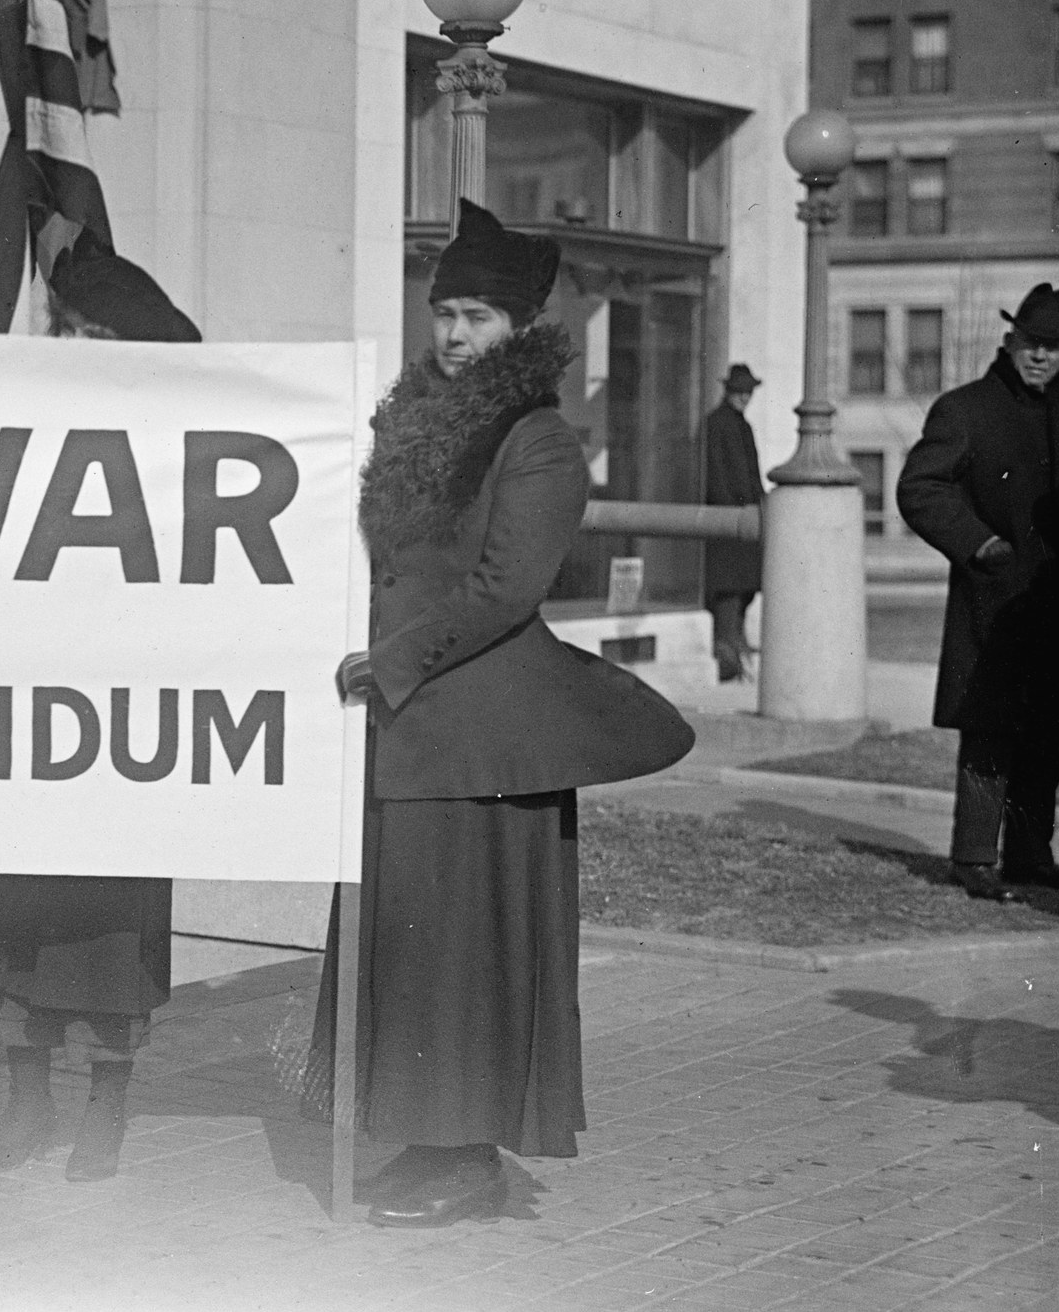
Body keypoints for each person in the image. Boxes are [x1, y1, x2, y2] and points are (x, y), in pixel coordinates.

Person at [310, 201, 694, 1227]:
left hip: (481, 740)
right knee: (414, 945)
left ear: (520, 327)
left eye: (477, 317)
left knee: (463, 952)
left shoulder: (539, 443)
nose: (454, 334)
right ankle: (427, 1139)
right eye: (445, 313)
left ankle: (467, 1160)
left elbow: (504, 589)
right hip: (411, 731)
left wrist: (390, 662)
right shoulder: (416, 429)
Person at [0, 244, 195, 1184]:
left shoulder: (178, 452)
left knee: (106, 936)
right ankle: (26, 1102)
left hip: (121, 734)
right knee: (9, 931)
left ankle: (106, 1107)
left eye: (93, 335)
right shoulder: (19, 437)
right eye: (64, 330)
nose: (71, 349)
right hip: (25, 725)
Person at [894, 284, 1059, 901]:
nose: (1040, 356)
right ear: (1010, 340)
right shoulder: (964, 409)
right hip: (993, 602)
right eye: (1031, 343)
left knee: (1053, 733)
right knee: (991, 729)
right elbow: (920, 488)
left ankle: (1030, 857)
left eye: (1053, 347)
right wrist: (980, 544)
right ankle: (974, 858)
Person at [701, 363, 766, 682]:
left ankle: (736, 648)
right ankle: (728, 654)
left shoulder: (743, 426)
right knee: (728, 590)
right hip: (727, 521)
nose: (744, 397)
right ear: (727, 391)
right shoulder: (716, 424)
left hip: (746, 520)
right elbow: (714, 473)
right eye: (739, 391)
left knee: (744, 589)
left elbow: (753, 474)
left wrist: (759, 507)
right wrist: (731, 514)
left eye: (748, 392)